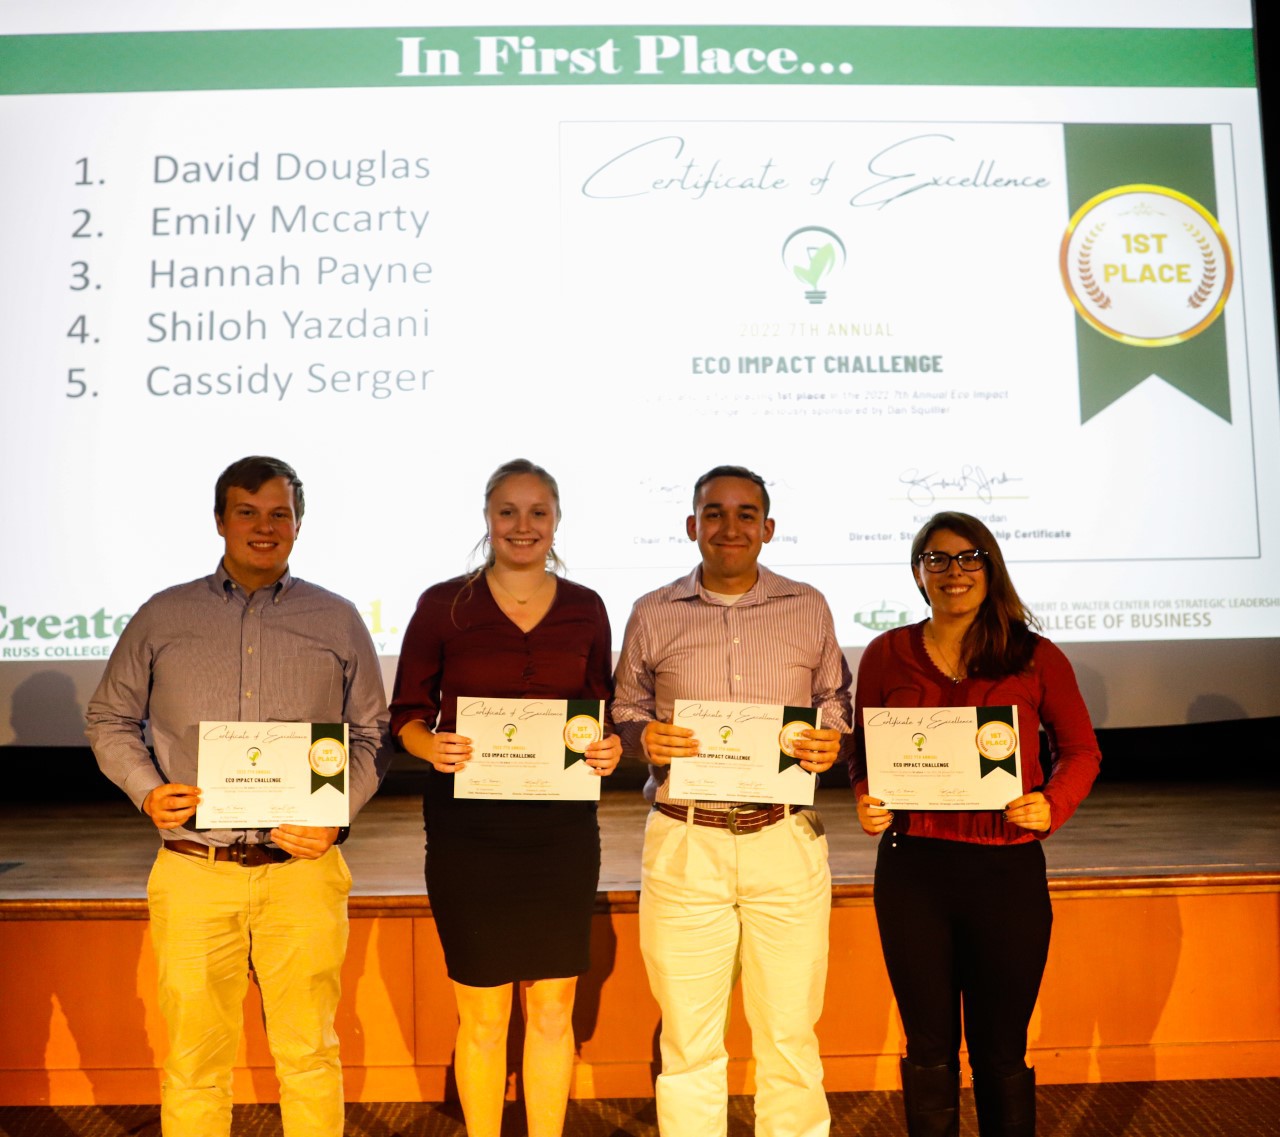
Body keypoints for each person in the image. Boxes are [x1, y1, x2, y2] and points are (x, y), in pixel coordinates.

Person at [85, 455, 391, 1137]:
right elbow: (108, 717)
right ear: (220, 521)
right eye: (247, 512)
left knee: (310, 1055)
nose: (264, 527)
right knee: (195, 1063)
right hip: (196, 868)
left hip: (302, 869)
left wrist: (335, 818)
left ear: (299, 524)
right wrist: (147, 791)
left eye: (280, 513)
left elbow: (372, 733)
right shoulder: (164, 615)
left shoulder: (337, 619)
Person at [612, 465, 851, 1137]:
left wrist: (831, 738)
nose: (730, 527)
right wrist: (640, 735)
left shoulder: (808, 605)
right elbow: (624, 708)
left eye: (746, 514)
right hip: (687, 841)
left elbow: (835, 700)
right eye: (714, 513)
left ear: (767, 528)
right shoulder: (652, 611)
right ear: (693, 525)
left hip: (785, 839)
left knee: (790, 1035)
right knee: (689, 1041)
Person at [389, 458, 622, 1137]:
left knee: (552, 1010)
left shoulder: (586, 607)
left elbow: (599, 711)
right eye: (508, 512)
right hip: (470, 833)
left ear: (557, 520)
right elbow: (406, 714)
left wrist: (607, 748)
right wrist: (430, 746)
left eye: (537, 512)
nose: (523, 525)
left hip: (560, 831)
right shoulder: (443, 604)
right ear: (487, 518)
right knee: (485, 1014)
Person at [852, 512, 1102, 1137]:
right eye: (936, 559)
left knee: (1001, 1050)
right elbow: (863, 754)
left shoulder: (1035, 656)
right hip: (913, 870)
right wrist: (865, 797)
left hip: (1005, 870)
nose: (953, 572)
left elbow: (1081, 751)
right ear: (918, 574)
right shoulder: (885, 654)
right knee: (928, 1047)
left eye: (969, 558)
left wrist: (1051, 805)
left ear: (991, 568)